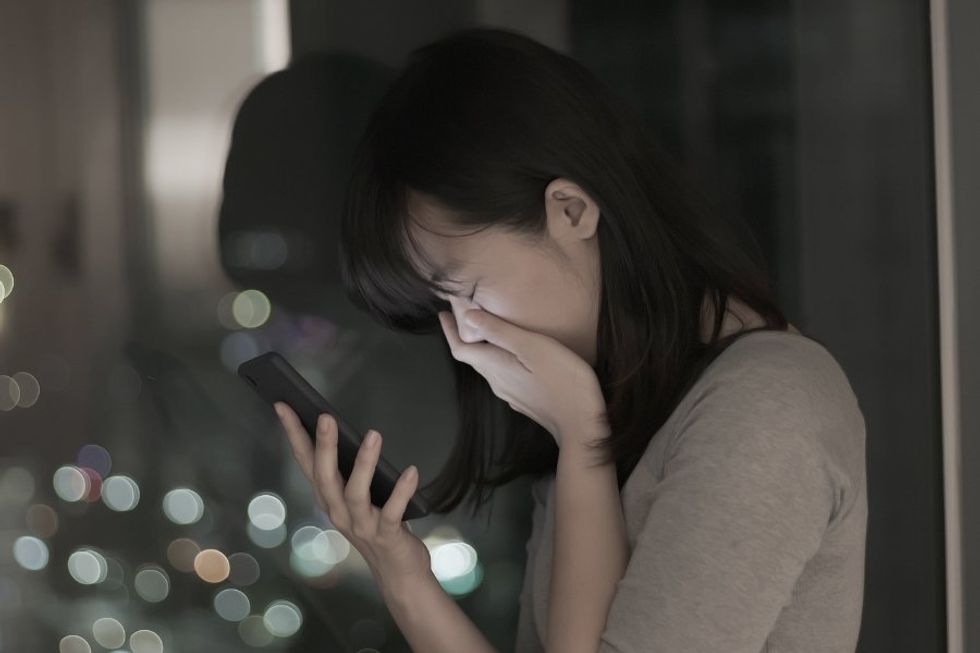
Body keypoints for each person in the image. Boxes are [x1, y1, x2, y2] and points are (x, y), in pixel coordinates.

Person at [274, 26, 867, 653]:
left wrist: (583, 438)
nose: (462, 334)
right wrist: (402, 575)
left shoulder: (762, 409)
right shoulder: (607, 401)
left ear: (573, 211)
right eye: (442, 305)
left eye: (468, 291)